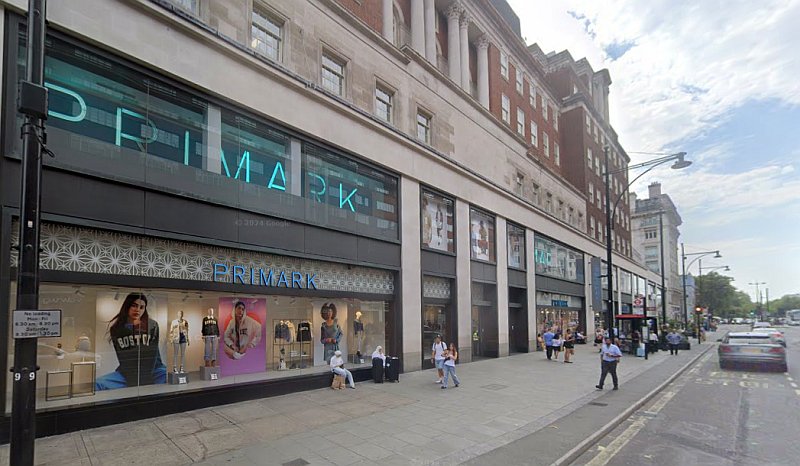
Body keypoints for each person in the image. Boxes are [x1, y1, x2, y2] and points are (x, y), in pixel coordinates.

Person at [96, 293, 166, 390]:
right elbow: (122, 357)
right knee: (97, 384)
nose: (138, 310)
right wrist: (133, 380)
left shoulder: (152, 325)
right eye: (134, 305)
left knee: (169, 379)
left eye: (142, 307)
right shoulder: (117, 329)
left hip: (154, 370)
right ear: (127, 306)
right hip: (128, 372)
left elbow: (152, 356)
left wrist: (143, 381)